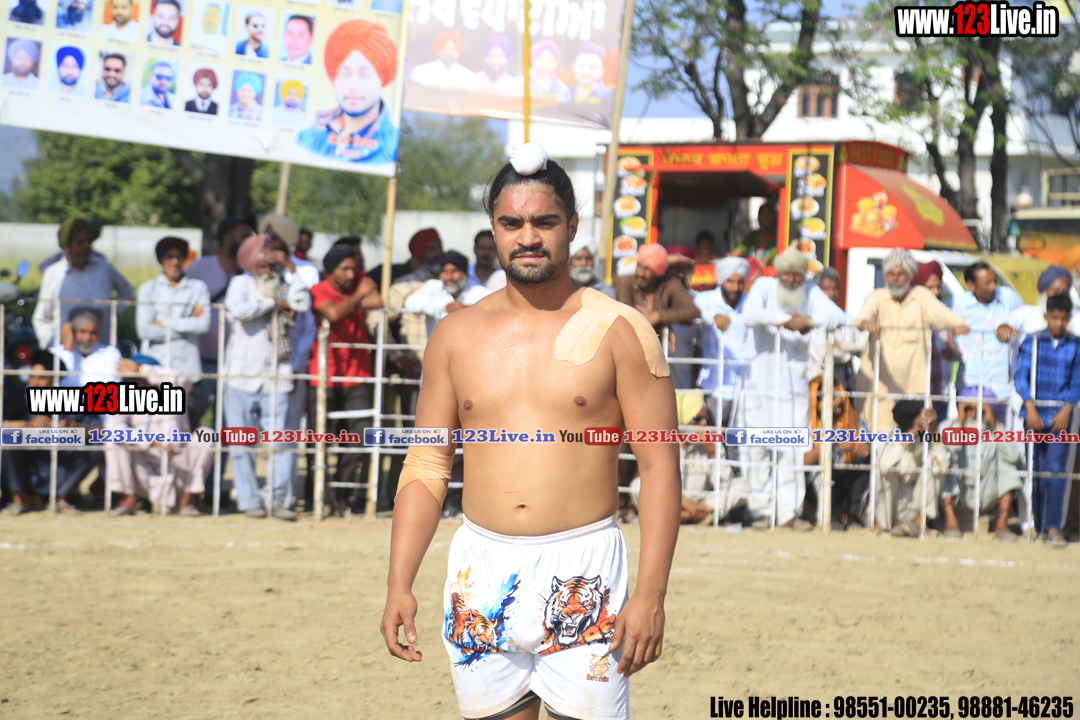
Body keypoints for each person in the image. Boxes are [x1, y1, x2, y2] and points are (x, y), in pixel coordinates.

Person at [380, 142, 679, 720]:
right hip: (480, 572)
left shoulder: (622, 330)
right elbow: (427, 464)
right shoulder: (455, 335)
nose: (528, 237)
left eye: (544, 222)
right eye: (511, 223)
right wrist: (399, 583)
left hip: (584, 570)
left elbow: (660, 465)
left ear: (573, 225)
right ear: (493, 229)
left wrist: (651, 594)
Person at [739, 246, 846, 530]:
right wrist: (787, 321)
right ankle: (761, 511)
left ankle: (789, 514)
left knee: (792, 449)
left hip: (792, 387)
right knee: (757, 447)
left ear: (802, 275)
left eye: (795, 274)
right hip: (759, 384)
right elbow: (750, 314)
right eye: (784, 273)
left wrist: (809, 321)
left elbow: (839, 317)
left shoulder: (811, 292)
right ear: (777, 272)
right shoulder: (764, 286)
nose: (789, 279)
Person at [222, 234, 311, 520]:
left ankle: (278, 500)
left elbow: (302, 302)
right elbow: (240, 310)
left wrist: (292, 269)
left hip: (277, 374)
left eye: (273, 263)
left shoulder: (286, 282)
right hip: (240, 374)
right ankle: (249, 501)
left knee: (280, 442)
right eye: (262, 263)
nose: (268, 269)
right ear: (251, 264)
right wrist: (273, 302)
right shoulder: (241, 283)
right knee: (241, 442)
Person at [853, 249, 969, 433]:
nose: (895, 279)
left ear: (910, 275)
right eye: (890, 274)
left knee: (913, 439)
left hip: (912, 389)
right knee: (876, 438)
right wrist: (866, 323)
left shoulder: (921, 296)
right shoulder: (877, 297)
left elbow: (942, 315)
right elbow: (863, 317)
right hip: (879, 387)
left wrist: (958, 324)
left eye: (900, 274)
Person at [305, 243, 382, 515]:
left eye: (354, 268)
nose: (351, 274)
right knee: (320, 441)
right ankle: (320, 498)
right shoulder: (318, 289)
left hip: (356, 375)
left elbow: (378, 301)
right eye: (345, 269)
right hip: (323, 375)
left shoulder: (357, 281)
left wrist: (349, 301)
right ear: (331, 270)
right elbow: (332, 313)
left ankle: (340, 496)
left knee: (360, 438)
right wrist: (357, 298)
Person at [260, 213, 320, 496]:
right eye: (267, 236)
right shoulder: (257, 267)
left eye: (275, 236)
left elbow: (307, 324)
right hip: (261, 363)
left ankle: (283, 494)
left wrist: (298, 364)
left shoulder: (306, 271)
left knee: (290, 429)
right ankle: (265, 491)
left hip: (294, 362)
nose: (270, 241)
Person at [1014, 293, 1080, 548]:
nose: (1059, 323)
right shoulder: (1032, 342)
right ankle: (1040, 526)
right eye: (1054, 318)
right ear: (1046, 316)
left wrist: (1067, 409)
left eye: (1063, 319)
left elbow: (1077, 380)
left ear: (1069, 318)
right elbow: (1020, 376)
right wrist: (1029, 406)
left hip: (1060, 419)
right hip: (1034, 416)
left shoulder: (1075, 345)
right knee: (1037, 471)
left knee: (1055, 470)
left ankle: (1054, 527)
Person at [106, 358, 211, 516]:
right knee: (114, 440)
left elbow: (182, 379)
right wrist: (151, 441)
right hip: (144, 469)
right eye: (129, 379)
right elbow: (112, 427)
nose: (132, 383)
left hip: (179, 465)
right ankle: (128, 501)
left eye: (137, 378)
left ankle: (188, 502)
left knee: (207, 434)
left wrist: (140, 369)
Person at [0, 350, 100, 516]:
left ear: (55, 380)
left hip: (60, 466)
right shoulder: (18, 396)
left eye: (42, 378)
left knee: (96, 444)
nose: (35, 382)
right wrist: (27, 425)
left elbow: (101, 431)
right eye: (32, 377)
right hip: (27, 466)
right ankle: (19, 497)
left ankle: (60, 498)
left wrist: (75, 427)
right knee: (6, 439)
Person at [629, 392, 748, 524]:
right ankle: (697, 515)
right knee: (636, 486)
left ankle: (685, 517)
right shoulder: (664, 443)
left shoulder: (711, 442)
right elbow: (655, 482)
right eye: (697, 418)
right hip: (670, 501)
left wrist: (713, 453)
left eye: (706, 417)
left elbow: (724, 483)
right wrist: (688, 505)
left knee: (743, 486)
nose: (704, 423)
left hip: (703, 501)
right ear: (683, 419)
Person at [297, 18, 399, 164]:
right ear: (334, 77)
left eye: (365, 75)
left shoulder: (394, 146)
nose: (354, 85)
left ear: (382, 78)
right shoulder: (307, 138)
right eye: (345, 74)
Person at [186, 215, 253, 425]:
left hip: (236, 366)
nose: (249, 242)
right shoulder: (198, 269)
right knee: (189, 418)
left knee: (228, 425)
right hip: (200, 363)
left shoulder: (250, 275)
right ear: (227, 239)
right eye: (244, 236)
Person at [33, 218, 134, 350]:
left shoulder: (104, 268)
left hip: (102, 348)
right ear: (67, 246)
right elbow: (41, 318)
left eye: (89, 241)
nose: (86, 246)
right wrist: (54, 347)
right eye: (80, 241)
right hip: (68, 351)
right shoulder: (54, 273)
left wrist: (113, 313)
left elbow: (127, 291)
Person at [939, 388, 1022, 541]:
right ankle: (951, 523)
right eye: (968, 409)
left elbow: (1013, 456)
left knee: (1008, 467)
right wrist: (959, 421)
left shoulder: (997, 429)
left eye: (979, 410)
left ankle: (1002, 526)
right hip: (959, 494)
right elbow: (948, 451)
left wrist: (994, 423)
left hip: (987, 493)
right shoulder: (947, 426)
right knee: (946, 463)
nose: (973, 414)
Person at [952, 261, 1024, 420]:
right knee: (973, 433)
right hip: (972, 386)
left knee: (1003, 434)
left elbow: (1025, 321)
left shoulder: (1008, 297)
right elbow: (939, 321)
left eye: (994, 281)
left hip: (1005, 387)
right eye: (987, 282)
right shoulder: (958, 303)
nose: (993, 286)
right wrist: (952, 329)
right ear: (971, 285)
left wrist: (1010, 327)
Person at [135, 237, 211, 383]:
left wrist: (163, 322)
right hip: (156, 369)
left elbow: (203, 325)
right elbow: (144, 331)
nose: (175, 262)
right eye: (169, 257)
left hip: (189, 370)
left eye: (179, 257)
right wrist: (186, 328)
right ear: (161, 259)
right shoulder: (148, 289)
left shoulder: (198, 288)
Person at [806, 375, 871, 530]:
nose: (839, 400)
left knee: (865, 463)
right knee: (822, 468)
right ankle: (829, 516)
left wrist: (864, 447)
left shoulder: (852, 418)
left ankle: (850, 517)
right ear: (819, 404)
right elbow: (803, 461)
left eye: (840, 395)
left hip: (845, 476)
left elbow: (865, 444)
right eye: (834, 398)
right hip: (821, 480)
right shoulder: (809, 423)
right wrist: (829, 442)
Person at [874, 400, 948, 537]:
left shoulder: (925, 439)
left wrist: (935, 429)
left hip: (913, 508)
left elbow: (942, 466)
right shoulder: (888, 436)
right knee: (884, 469)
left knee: (934, 467)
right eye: (921, 416)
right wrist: (912, 432)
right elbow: (884, 467)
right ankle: (881, 525)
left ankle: (919, 523)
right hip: (889, 508)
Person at [694, 257, 750, 425]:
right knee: (713, 436)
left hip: (745, 387)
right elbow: (696, 310)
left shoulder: (749, 302)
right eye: (730, 282)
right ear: (721, 281)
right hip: (714, 385)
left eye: (739, 282)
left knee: (738, 438)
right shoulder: (706, 299)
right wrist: (714, 316)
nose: (735, 288)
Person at [912, 261, 962, 420]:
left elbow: (960, 350)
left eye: (938, 287)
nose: (936, 292)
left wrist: (955, 353)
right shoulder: (911, 316)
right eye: (930, 287)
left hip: (941, 394)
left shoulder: (946, 317)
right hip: (916, 395)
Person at [405, 250, 494, 338]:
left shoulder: (477, 291)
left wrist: (465, 309)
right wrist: (445, 306)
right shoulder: (433, 286)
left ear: (464, 273)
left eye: (454, 271)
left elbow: (494, 309)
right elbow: (410, 303)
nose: (449, 277)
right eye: (445, 271)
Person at [616, 244, 700, 334]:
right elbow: (626, 312)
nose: (641, 274)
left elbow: (693, 311)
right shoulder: (626, 282)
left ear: (658, 272)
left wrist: (658, 316)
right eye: (639, 266)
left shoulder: (670, 284)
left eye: (647, 269)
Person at [809, 267, 866, 392]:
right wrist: (849, 352)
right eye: (826, 289)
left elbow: (864, 347)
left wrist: (842, 346)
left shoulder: (848, 318)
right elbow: (822, 354)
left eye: (835, 288)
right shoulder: (812, 320)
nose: (832, 293)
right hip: (819, 385)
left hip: (846, 385)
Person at [370, 226, 441, 286]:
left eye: (440, 247)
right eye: (431, 249)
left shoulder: (442, 277)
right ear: (418, 253)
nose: (438, 253)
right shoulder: (387, 273)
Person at [409, 29, 476, 90]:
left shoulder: (469, 76)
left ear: (459, 51)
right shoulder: (420, 72)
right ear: (438, 50)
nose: (449, 52)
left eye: (453, 49)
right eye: (445, 48)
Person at [567, 233, 615, 299]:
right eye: (578, 258)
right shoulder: (561, 290)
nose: (584, 263)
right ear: (570, 261)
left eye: (588, 258)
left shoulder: (604, 290)